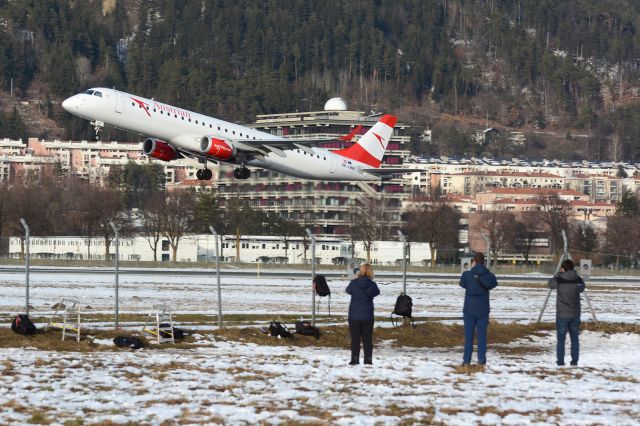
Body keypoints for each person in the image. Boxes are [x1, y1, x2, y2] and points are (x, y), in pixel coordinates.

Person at [459, 252, 498, 365]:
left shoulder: (467, 275)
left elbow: (463, 284)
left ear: (474, 262)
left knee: (469, 337)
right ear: (484, 261)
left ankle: (466, 360)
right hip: (483, 310)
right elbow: (493, 285)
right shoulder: (490, 276)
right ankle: (481, 359)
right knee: (482, 336)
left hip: (469, 310)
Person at [548, 259, 585, 366]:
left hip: (562, 314)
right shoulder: (578, 279)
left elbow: (550, 284)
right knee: (575, 340)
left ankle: (560, 362)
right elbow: (582, 289)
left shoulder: (559, 279)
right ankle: (574, 361)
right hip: (575, 314)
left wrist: (558, 274)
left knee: (561, 340)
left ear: (563, 268)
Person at [345, 262, 380, 365]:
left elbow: (348, 290)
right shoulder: (372, 285)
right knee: (367, 340)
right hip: (368, 316)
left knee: (355, 339)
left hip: (354, 316)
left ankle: (355, 359)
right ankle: (368, 360)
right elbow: (377, 293)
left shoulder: (353, 283)